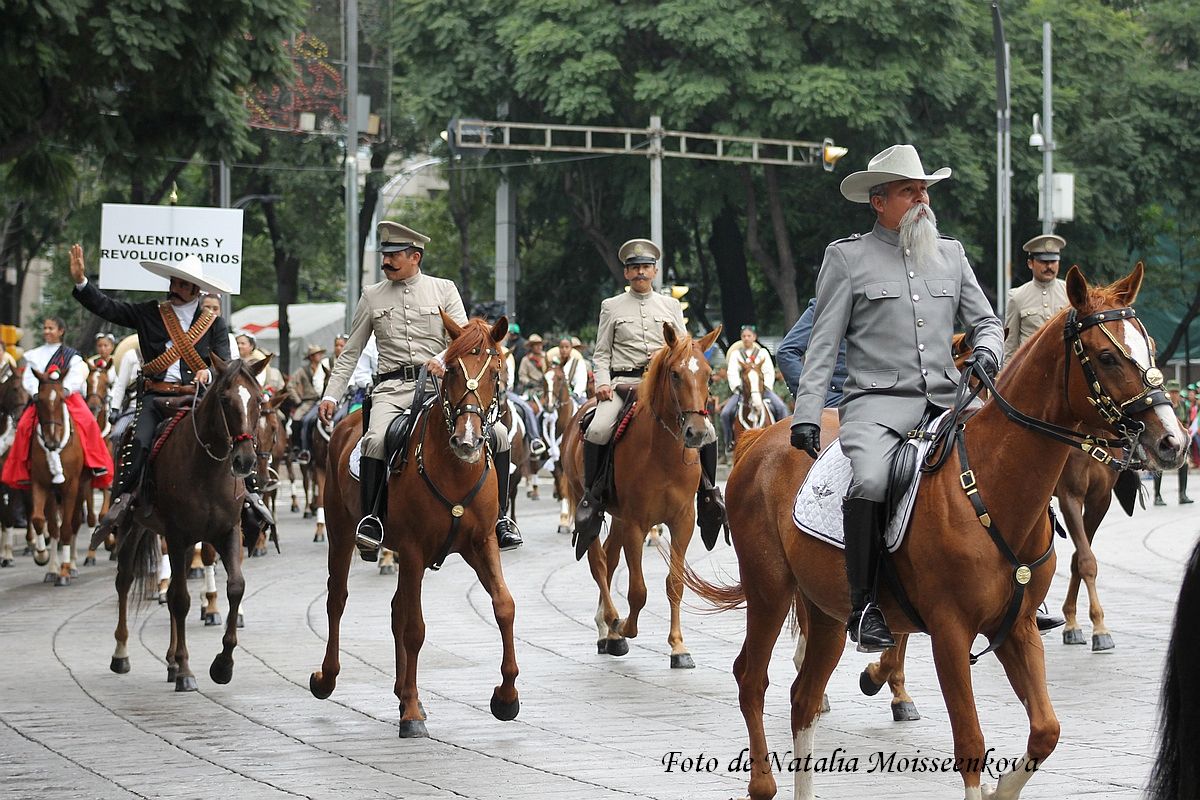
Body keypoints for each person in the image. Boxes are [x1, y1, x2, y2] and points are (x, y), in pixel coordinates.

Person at [789, 145, 1004, 652]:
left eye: (924, 189)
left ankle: (1021, 586)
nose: (922, 198)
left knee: (1008, 459)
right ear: (879, 201)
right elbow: (821, 344)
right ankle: (864, 608)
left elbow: (988, 321)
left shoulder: (950, 254)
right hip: (875, 406)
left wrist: (989, 353)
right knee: (869, 478)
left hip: (951, 401)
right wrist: (806, 414)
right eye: (911, 191)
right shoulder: (846, 258)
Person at [319, 221, 523, 559]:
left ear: (415, 256)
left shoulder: (443, 288)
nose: (387, 260)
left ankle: (500, 518)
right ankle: (371, 520)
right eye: (385, 254)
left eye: (394, 255)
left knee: (499, 435)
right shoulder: (371, 296)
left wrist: (442, 358)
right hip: (392, 387)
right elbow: (351, 352)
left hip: (441, 386)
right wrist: (331, 394)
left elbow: (468, 337)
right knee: (375, 439)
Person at [68, 246, 273, 535]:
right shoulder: (149, 313)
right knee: (137, 442)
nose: (175, 288)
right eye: (173, 282)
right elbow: (108, 308)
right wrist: (82, 283)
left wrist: (209, 370)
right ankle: (125, 500)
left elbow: (225, 368)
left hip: (196, 397)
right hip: (156, 397)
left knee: (234, 437)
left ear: (196, 290)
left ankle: (250, 497)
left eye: (182, 284)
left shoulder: (214, 324)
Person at [575, 238, 726, 552]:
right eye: (634, 268)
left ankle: (709, 493)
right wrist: (601, 381)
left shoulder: (670, 306)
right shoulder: (611, 306)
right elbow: (601, 354)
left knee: (707, 432)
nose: (640, 272)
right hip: (623, 384)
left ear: (655, 271)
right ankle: (592, 496)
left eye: (645, 267)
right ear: (627, 273)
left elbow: (684, 349)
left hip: (662, 386)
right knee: (598, 428)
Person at [1, 316, 115, 489]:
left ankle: (96, 463)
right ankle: (23, 467)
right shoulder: (35, 354)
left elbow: (76, 377)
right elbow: (29, 379)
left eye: (51, 328)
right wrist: (36, 393)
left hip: (66, 397)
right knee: (24, 426)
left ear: (61, 331)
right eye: (45, 328)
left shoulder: (72, 356)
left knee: (88, 421)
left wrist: (64, 391)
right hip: (42, 399)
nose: (47, 331)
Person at [719, 325, 788, 450]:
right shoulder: (736, 355)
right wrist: (737, 386)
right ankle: (729, 441)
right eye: (744, 336)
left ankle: (783, 438)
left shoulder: (762, 353)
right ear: (741, 338)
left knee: (781, 408)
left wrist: (765, 386)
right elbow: (732, 372)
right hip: (743, 391)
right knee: (725, 413)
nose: (746, 338)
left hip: (762, 390)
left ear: (754, 337)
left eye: (749, 336)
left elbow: (768, 371)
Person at [1004, 234, 1069, 361]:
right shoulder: (1017, 297)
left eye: (1053, 261)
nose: (1049, 267)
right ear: (1030, 263)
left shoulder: (1069, 293)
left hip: (1062, 371)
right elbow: (1010, 345)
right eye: (1044, 262)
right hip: (1030, 371)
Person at [778, 297, 848, 406]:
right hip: (837, 397)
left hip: (878, 395)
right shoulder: (824, 306)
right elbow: (786, 352)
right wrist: (811, 394)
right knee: (779, 408)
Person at [1154, 380, 1194, 506]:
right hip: (1164, 439)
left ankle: (1182, 494)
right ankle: (1157, 496)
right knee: (1158, 466)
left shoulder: (1184, 406)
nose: (1174, 395)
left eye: (1176, 392)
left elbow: (1187, 424)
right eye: (1172, 392)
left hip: (1179, 439)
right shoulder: (1163, 406)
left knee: (1184, 464)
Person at [288, 344, 327, 464]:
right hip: (308, 401)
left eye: (320, 353)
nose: (319, 356)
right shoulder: (302, 371)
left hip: (324, 400)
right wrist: (298, 400)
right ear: (310, 357)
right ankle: (297, 447)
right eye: (316, 354)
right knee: (297, 418)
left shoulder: (325, 367)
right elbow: (290, 385)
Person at [548, 336, 588, 403]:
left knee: (588, 410)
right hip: (557, 396)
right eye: (561, 347)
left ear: (571, 348)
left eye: (567, 347)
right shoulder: (554, 363)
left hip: (576, 396)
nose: (564, 350)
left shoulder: (578, 362)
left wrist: (575, 393)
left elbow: (581, 381)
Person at [517, 333, 548, 403]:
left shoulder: (547, 357)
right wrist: (529, 382)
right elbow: (522, 376)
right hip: (532, 389)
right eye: (536, 345)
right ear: (531, 347)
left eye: (540, 344)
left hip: (546, 387)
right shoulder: (526, 360)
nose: (539, 347)